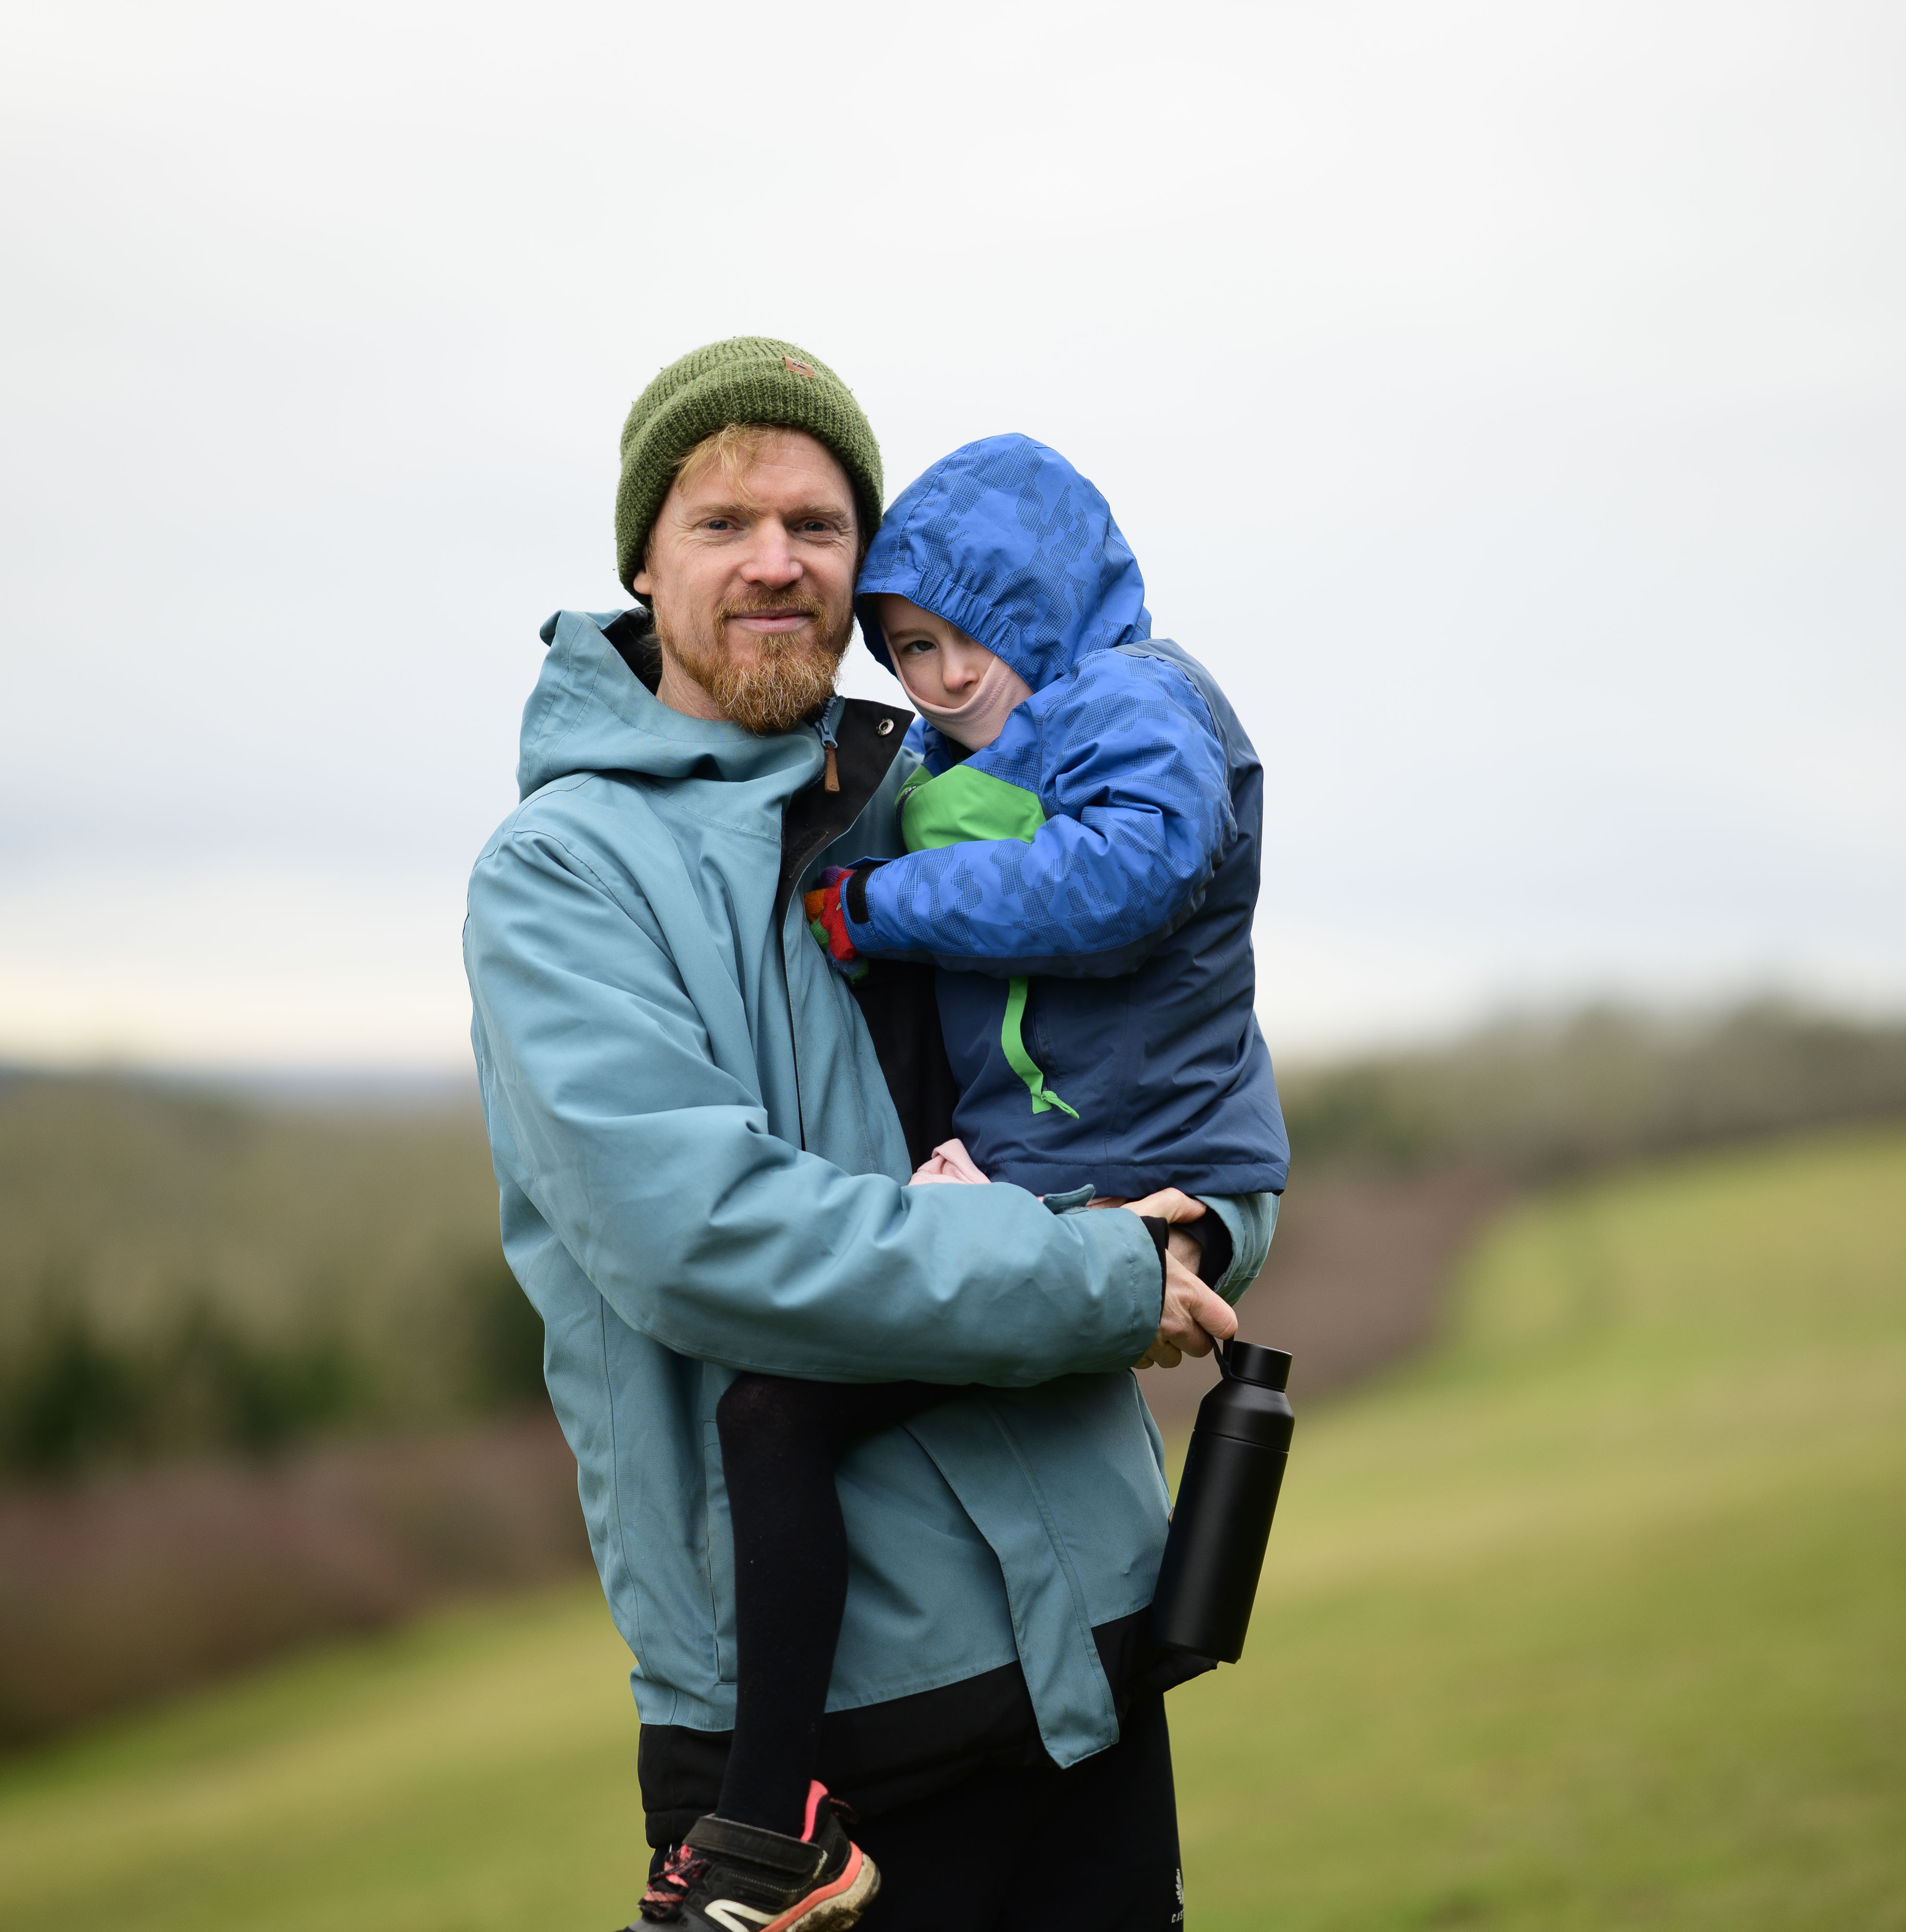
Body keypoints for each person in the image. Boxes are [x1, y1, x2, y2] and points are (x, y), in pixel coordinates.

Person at [463, 338, 1268, 1932]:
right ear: (643, 558)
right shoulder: (561, 875)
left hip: (1091, 1640)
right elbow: (706, 1242)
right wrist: (1110, 1279)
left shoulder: (943, 781)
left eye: (818, 527)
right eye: (724, 522)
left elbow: (1164, 1061)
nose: (777, 562)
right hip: (830, 1731)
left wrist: (1208, 1233)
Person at [708, 433, 1291, 1920]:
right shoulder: (986, 759)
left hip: (1140, 1183)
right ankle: (780, 1817)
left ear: (1049, 602)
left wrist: (879, 904)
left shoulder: (1140, 702)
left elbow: (1131, 877)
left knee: (778, 1418)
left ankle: (762, 1828)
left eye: (972, 634)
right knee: (778, 1419)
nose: (946, 676)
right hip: (1058, 1182)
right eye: (909, 649)